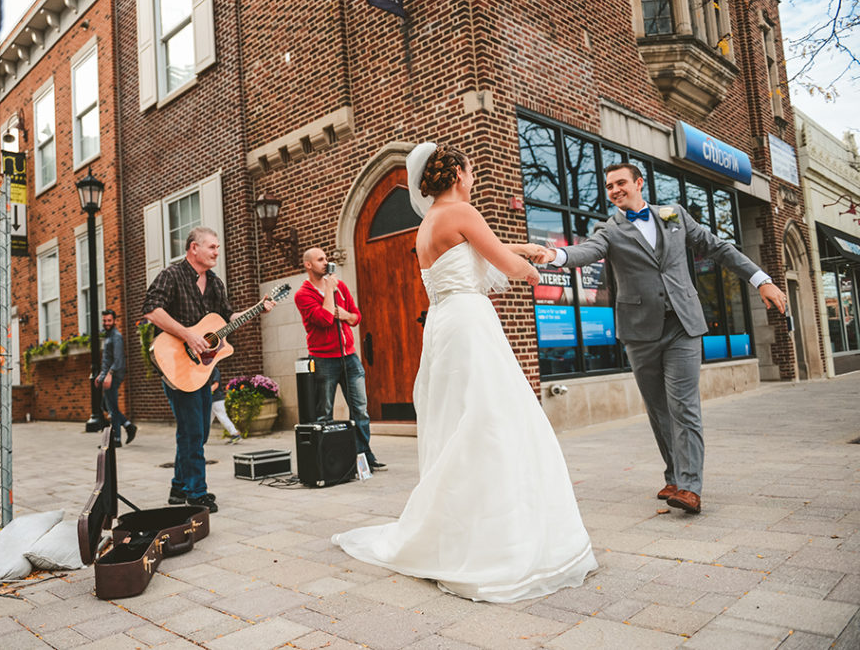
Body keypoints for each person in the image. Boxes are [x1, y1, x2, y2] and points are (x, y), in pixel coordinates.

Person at [332, 143, 597, 603]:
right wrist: (539, 272)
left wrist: (521, 248)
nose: (472, 178)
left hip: (443, 325)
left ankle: (459, 525)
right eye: (470, 170)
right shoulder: (463, 211)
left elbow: (471, 252)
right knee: (495, 418)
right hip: (471, 324)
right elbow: (504, 264)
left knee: (463, 419)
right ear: (456, 172)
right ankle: (498, 540)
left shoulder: (430, 222)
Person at [529, 163, 787, 515]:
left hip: (682, 324)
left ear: (638, 183)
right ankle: (674, 475)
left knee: (684, 406)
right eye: (608, 186)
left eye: (620, 182)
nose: (614, 189)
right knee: (659, 410)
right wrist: (555, 255)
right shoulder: (609, 229)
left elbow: (719, 248)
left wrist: (761, 280)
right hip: (640, 332)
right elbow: (586, 251)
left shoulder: (674, 215)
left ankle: (690, 487)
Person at [143, 226, 273, 513]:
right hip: (175, 362)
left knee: (197, 431)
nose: (217, 251)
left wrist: (257, 309)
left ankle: (179, 487)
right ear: (194, 248)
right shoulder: (171, 275)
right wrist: (188, 335)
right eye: (212, 247)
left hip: (203, 368)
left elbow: (227, 317)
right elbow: (152, 310)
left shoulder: (215, 283)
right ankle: (196, 492)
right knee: (192, 430)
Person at [294, 247, 383, 470]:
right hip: (324, 360)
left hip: (349, 357)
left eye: (326, 258)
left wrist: (344, 315)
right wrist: (328, 292)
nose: (326, 262)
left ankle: (364, 455)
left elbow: (356, 317)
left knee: (360, 409)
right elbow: (324, 319)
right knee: (324, 413)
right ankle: (328, 461)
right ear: (308, 265)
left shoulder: (340, 286)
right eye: (320, 259)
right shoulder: (303, 294)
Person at [95, 309, 136, 446]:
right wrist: (101, 375)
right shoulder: (108, 336)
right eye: (104, 320)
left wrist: (109, 375)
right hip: (107, 375)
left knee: (111, 408)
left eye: (109, 320)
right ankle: (128, 425)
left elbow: (118, 360)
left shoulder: (116, 336)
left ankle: (116, 440)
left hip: (114, 375)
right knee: (106, 405)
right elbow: (107, 359)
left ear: (114, 321)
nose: (106, 323)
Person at [209, 368, 242, 443]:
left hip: (217, 399)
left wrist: (206, 392)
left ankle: (235, 434)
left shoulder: (214, 370)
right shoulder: (208, 370)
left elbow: (215, 385)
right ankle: (200, 438)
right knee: (207, 419)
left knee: (222, 416)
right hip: (212, 399)